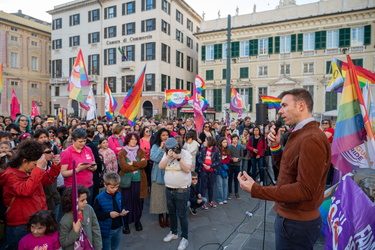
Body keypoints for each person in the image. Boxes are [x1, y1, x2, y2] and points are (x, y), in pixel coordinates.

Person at [238, 88, 331, 250]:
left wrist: (257, 189)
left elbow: (305, 190)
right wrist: (275, 147)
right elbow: (287, 171)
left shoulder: (311, 139)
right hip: (291, 220)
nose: (280, 111)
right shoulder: (301, 134)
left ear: (301, 106)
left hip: (297, 224)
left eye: (284, 105)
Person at [0, 140, 60, 249]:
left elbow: (47, 179)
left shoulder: (31, 172)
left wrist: (55, 166)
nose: (35, 167)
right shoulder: (10, 175)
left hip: (38, 220)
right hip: (20, 225)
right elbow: (26, 191)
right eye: (34, 164)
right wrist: (38, 169)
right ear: (24, 161)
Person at [159, 137, 192, 250]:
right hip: (169, 189)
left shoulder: (186, 154)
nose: (172, 150)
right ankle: (173, 232)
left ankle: (185, 238)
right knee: (171, 213)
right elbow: (160, 166)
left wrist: (179, 158)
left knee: (182, 214)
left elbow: (187, 169)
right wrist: (168, 156)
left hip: (182, 189)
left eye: (174, 148)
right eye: (169, 149)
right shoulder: (167, 154)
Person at [118, 132, 148, 234]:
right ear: (127, 140)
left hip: (139, 181)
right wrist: (137, 165)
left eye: (135, 139)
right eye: (132, 139)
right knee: (126, 202)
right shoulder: (122, 153)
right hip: (126, 182)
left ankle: (137, 220)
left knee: (138, 202)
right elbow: (124, 167)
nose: (134, 141)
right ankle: (125, 223)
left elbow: (144, 163)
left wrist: (133, 163)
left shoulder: (140, 151)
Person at [60, 129, 97, 205]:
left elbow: (94, 164)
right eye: (80, 141)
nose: (83, 143)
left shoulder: (88, 149)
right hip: (73, 188)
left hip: (88, 186)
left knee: (87, 209)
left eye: (84, 141)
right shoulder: (66, 153)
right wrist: (77, 169)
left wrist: (93, 168)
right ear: (73, 140)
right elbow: (63, 173)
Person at [94, 173, 127, 250]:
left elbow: (122, 205)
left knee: (116, 247)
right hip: (106, 230)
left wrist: (123, 210)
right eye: (112, 187)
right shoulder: (99, 198)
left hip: (118, 227)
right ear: (105, 185)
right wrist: (109, 214)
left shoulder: (119, 194)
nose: (115, 189)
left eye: (117, 187)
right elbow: (96, 214)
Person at [149, 128, 171, 228]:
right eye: (163, 135)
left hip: (170, 172)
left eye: (167, 135)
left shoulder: (172, 146)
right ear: (159, 136)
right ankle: (161, 215)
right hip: (158, 173)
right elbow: (155, 158)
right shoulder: (155, 146)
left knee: (169, 196)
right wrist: (161, 149)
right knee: (159, 196)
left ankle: (169, 215)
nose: (165, 137)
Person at [197, 136, 221, 210]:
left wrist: (210, 166)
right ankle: (203, 202)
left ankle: (211, 201)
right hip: (203, 170)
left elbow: (218, 161)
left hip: (212, 171)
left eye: (206, 141)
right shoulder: (203, 149)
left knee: (211, 186)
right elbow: (199, 159)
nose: (204, 142)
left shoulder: (216, 150)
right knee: (203, 186)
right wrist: (203, 164)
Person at [228, 134, 243, 200]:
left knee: (237, 179)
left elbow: (242, 156)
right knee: (230, 179)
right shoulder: (229, 147)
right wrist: (232, 159)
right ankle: (230, 192)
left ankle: (236, 192)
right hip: (231, 165)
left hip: (237, 165)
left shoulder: (239, 147)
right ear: (231, 139)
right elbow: (228, 156)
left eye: (236, 139)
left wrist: (238, 159)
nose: (235, 140)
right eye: (234, 139)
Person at [216, 137, 230, 205]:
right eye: (223, 142)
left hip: (225, 168)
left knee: (225, 184)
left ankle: (224, 198)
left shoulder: (228, 150)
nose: (225, 144)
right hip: (219, 169)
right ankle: (219, 198)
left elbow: (227, 160)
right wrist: (222, 161)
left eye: (226, 142)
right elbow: (217, 160)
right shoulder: (217, 150)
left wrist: (222, 161)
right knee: (219, 185)